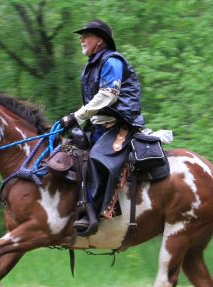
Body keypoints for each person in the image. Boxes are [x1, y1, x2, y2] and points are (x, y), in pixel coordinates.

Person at [59, 19, 145, 235]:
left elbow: (108, 95)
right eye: (82, 35)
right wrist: (73, 119)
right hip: (98, 127)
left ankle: (92, 214)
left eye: (87, 35)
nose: (82, 39)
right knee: (69, 156)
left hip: (119, 126)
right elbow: (94, 102)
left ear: (100, 41)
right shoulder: (92, 65)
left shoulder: (112, 61)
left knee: (97, 158)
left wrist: (75, 117)